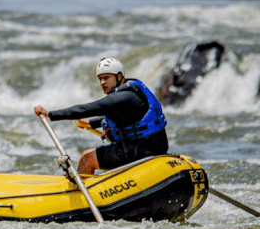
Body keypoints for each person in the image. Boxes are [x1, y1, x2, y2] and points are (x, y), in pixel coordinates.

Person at [34, 57, 168, 176]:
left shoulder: (122, 97)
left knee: (87, 157)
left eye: (106, 78)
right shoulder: (132, 92)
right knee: (105, 159)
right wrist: (91, 123)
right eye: (100, 79)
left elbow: (86, 109)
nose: (102, 82)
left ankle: (80, 194)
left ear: (119, 76)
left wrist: (50, 114)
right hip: (154, 146)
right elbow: (123, 119)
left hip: (142, 149)